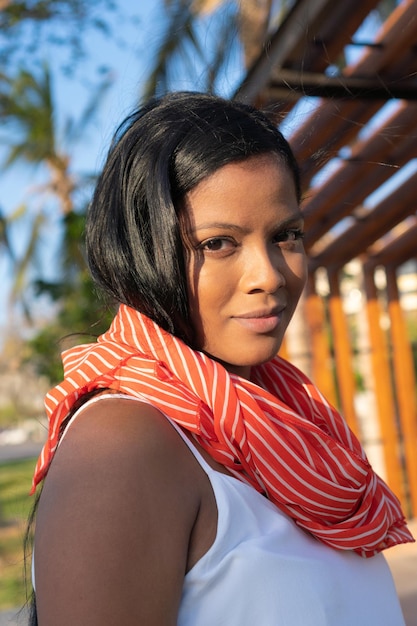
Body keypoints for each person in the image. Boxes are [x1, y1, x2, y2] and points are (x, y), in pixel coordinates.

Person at [28, 91, 413, 625]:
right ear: (142, 248)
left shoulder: (289, 420)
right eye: (217, 244)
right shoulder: (124, 442)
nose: (270, 275)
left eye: (287, 235)